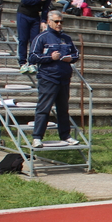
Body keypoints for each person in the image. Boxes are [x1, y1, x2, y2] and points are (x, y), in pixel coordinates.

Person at [27, 11, 80, 148]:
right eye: (56, 21)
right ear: (49, 22)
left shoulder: (66, 38)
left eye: (61, 22)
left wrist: (71, 58)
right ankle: (37, 137)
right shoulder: (41, 38)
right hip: (48, 78)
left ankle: (65, 135)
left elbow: (76, 54)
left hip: (64, 77)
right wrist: (50, 57)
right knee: (44, 108)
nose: (59, 24)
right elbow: (32, 57)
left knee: (63, 109)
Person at [16, 0, 53, 74]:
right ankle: (22, 63)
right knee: (23, 39)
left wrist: (43, 21)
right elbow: (25, 0)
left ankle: (32, 62)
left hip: (35, 16)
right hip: (24, 14)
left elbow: (46, 7)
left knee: (35, 40)